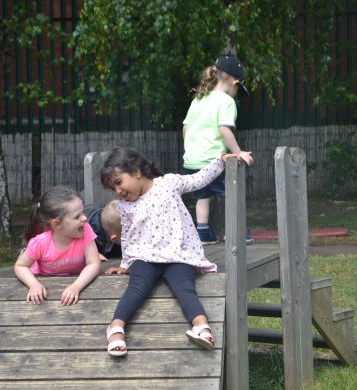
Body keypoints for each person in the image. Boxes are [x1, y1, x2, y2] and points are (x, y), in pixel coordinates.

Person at [99, 146, 251, 356]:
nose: (117, 192)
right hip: (145, 256)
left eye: (118, 183)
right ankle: (115, 328)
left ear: (136, 172)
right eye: (112, 189)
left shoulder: (168, 183)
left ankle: (202, 327)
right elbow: (128, 236)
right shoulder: (125, 207)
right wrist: (125, 264)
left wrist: (220, 161)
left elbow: (197, 180)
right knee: (137, 287)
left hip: (177, 254)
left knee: (185, 287)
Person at [182, 55, 254, 245]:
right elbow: (224, 130)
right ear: (235, 82)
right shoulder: (226, 102)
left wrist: (192, 150)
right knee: (232, 194)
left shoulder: (198, 99)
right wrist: (238, 153)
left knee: (202, 196)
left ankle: (203, 233)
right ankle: (236, 232)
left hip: (192, 161)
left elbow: (185, 128)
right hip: (213, 161)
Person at [14, 185, 101, 306]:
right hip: (47, 282)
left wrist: (76, 286)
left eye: (83, 212)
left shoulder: (85, 229)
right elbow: (20, 266)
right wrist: (33, 284)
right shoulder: (40, 242)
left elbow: (94, 263)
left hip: (74, 278)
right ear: (56, 224)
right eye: (77, 216)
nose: (85, 218)